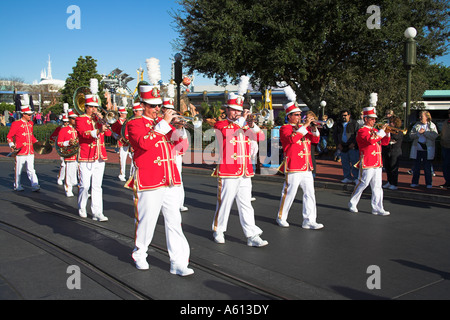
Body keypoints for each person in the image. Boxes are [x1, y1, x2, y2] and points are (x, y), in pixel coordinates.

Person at [125, 83, 193, 276]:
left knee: (174, 221)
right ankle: (140, 253)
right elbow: (143, 143)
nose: (157, 109)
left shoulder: (164, 125)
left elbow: (181, 148)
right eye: (153, 106)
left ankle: (178, 262)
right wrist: (163, 124)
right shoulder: (135, 124)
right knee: (148, 221)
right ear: (143, 104)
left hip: (169, 179)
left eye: (158, 106)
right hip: (150, 179)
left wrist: (180, 129)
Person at [212, 92, 268, 247]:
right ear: (227, 110)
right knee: (225, 202)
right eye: (234, 110)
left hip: (245, 171)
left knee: (246, 204)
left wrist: (251, 124)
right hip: (228, 170)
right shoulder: (221, 124)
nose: (237, 113)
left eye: (239, 110)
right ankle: (218, 230)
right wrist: (243, 121)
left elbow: (261, 138)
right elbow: (227, 133)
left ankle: (252, 235)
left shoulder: (244, 125)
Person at [276, 102, 323, 229]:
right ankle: (281, 217)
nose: (299, 117)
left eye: (300, 114)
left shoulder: (304, 128)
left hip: (306, 166)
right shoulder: (285, 128)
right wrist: (306, 125)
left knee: (310, 193)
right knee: (289, 193)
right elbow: (292, 139)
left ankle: (309, 220)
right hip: (293, 166)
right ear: (289, 116)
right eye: (296, 115)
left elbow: (315, 140)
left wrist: (314, 128)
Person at [76, 80, 111, 221]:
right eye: (92, 107)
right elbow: (83, 134)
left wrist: (104, 122)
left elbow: (108, 134)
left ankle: (97, 212)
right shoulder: (80, 119)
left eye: (96, 107)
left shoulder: (99, 119)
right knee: (85, 185)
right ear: (86, 107)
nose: (94, 110)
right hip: (86, 156)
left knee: (97, 186)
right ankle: (82, 206)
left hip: (100, 156)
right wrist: (97, 129)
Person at [348, 107, 391, 216]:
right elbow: (371, 140)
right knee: (363, 183)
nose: (374, 121)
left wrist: (387, 133)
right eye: (372, 119)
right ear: (365, 119)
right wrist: (381, 133)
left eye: (374, 119)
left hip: (377, 161)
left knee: (377, 186)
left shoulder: (376, 131)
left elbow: (384, 143)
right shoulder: (362, 130)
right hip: (367, 161)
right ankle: (352, 202)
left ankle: (377, 207)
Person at [7, 98, 40, 192]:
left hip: (30, 150)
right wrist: (12, 146)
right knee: (19, 170)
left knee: (31, 169)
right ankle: (17, 185)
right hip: (21, 150)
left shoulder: (31, 124)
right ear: (23, 114)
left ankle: (35, 184)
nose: (30, 116)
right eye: (29, 114)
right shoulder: (16, 124)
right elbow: (9, 136)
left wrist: (38, 142)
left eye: (31, 114)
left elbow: (31, 136)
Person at [409, 110, 438, 188]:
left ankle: (429, 183)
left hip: (427, 150)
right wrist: (418, 133)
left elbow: (435, 136)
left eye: (422, 116)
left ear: (427, 117)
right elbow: (411, 135)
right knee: (416, 167)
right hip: (417, 149)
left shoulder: (432, 125)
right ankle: (415, 182)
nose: (420, 118)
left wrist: (425, 133)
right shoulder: (417, 125)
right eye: (420, 116)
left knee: (427, 167)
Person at [333, 109, 359, 183]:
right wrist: (338, 144)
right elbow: (335, 135)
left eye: (345, 115)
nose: (343, 117)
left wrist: (354, 143)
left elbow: (357, 134)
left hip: (352, 146)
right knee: (345, 163)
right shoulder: (338, 124)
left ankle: (356, 177)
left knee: (354, 163)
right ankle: (347, 177)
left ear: (349, 115)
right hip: (342, 146)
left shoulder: (354, 123)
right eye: (342, 116)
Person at [56, 110, 79, 197]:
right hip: (70, 153)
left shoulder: (78, 129)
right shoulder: (64, 130)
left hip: (80, 154)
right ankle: (68, 188)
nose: (75, 121)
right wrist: (68, 143)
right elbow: (59, 143)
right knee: (69, 172)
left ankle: (81, 189)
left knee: (80, 173)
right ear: (69, 119)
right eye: (73, 119)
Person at [382, 116, 404, 190]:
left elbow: (394, 139)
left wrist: (389, 133)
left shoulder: (398, 131)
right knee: (387, 167)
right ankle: (389, 181)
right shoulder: (388, 130)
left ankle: (394, 183)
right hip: (387, 150)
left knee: (393, 168)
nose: (390, 123)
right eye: (390, 122)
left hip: (395, 151)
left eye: (392, 122)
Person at [111, 106, 130, 182]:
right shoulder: (116, 122)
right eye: (124, 113)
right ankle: (122, 174)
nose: (125, 114)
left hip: (128, 142)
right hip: (121, 142)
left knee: (132, 159)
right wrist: (117, 136)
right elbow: (112, 132)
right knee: (122, 159)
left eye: (126, 113)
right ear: (120, 113)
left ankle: (131, 175)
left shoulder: (127, 121)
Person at [440, 108, 450, 189]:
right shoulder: (446, 122)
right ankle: (447, 181)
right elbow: (442, 133)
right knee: (445, 165)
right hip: (445, 146)